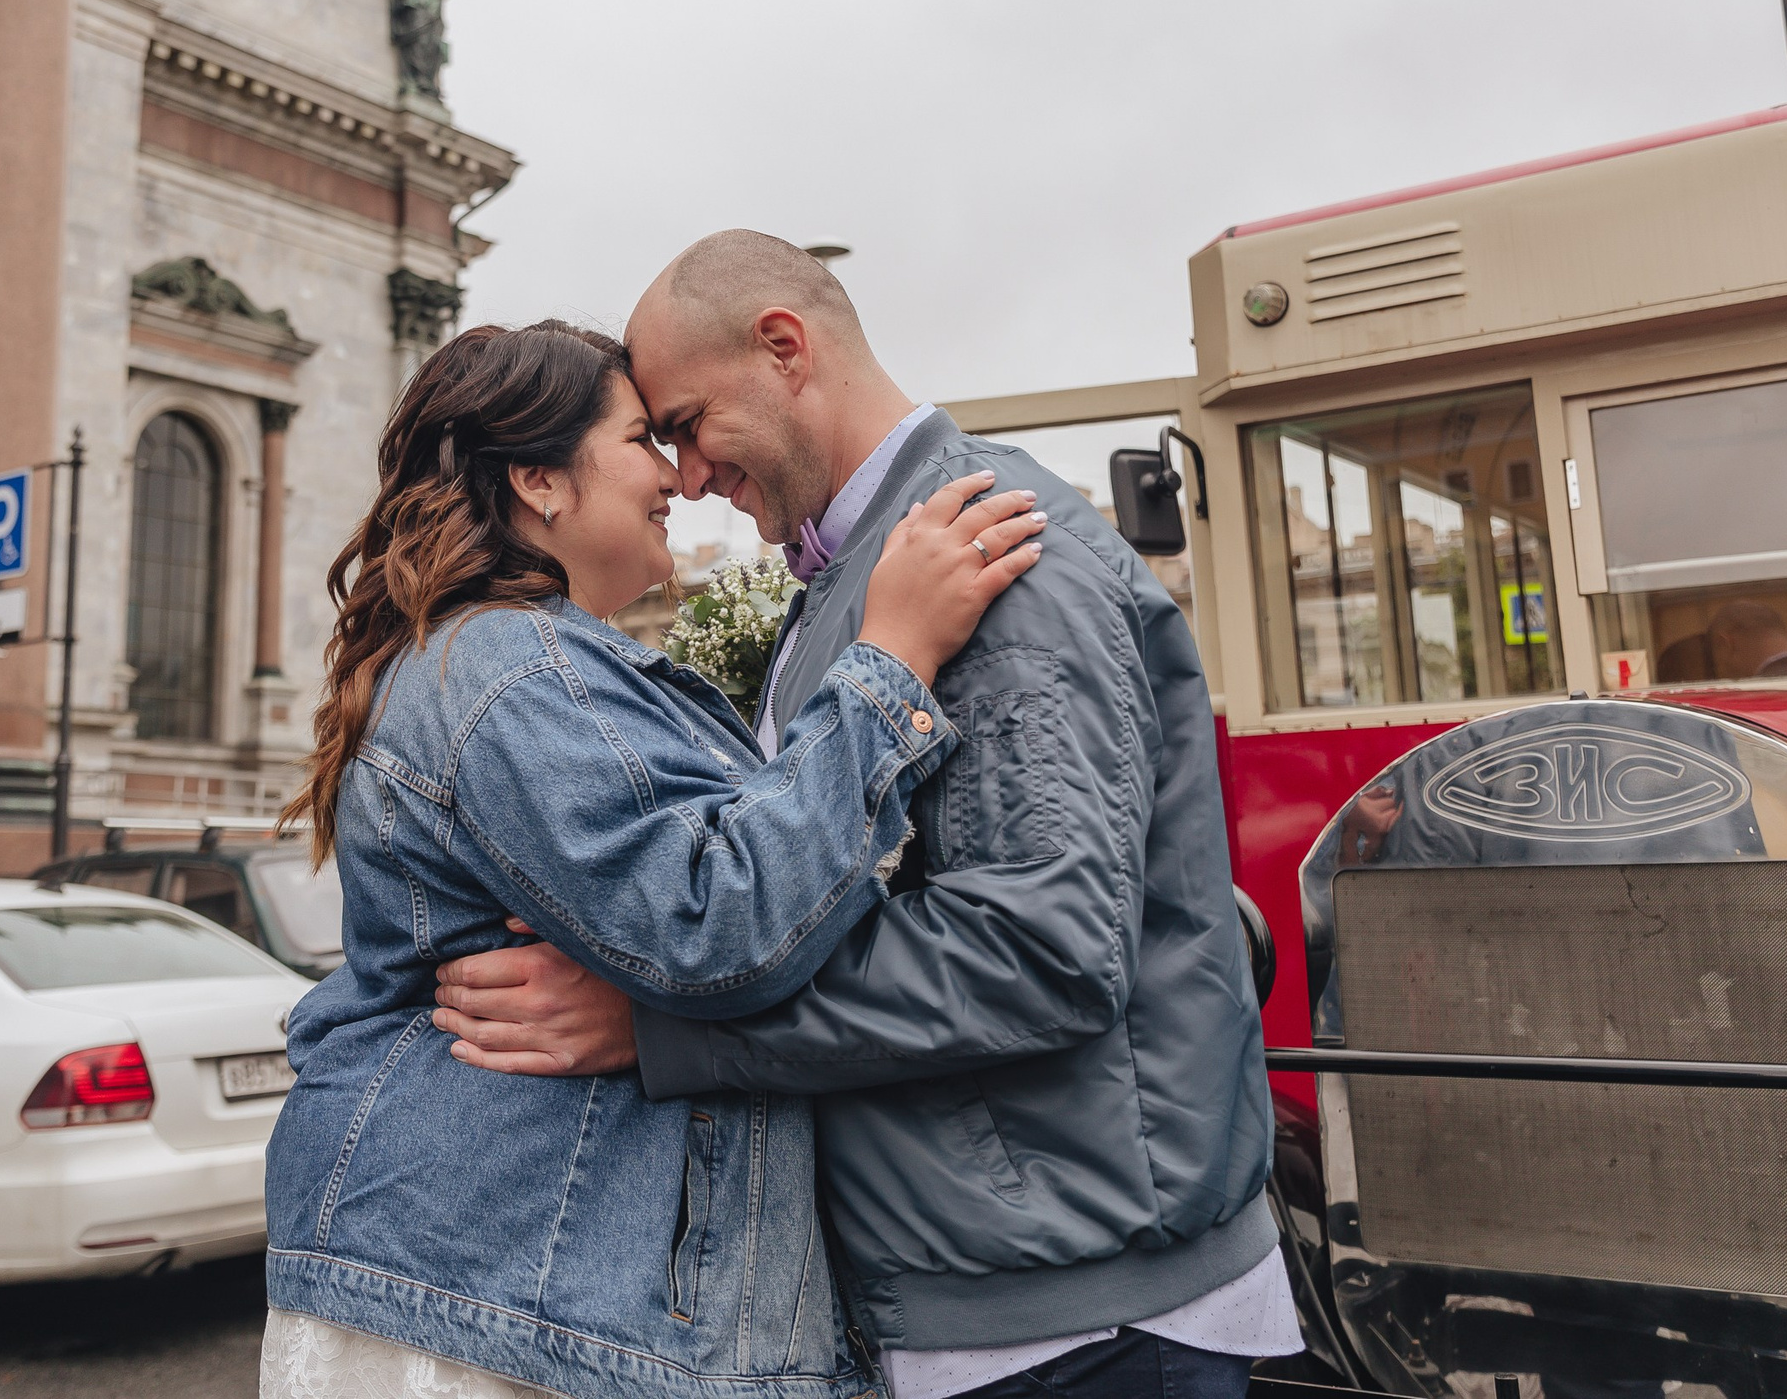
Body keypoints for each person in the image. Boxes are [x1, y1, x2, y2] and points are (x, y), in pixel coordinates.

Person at [431, 233, 1293, 1399]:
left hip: (1076, 1313)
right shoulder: (870, 577)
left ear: (783, 348)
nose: (683, 476)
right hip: (1012, 1275)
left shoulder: (991, 553)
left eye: (683, 423)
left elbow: (1036, 953)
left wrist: (665, 1036)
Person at [261, 320, 1047, 1399]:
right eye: (643, 439)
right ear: (540, 481)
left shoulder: (533, 662)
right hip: (505, 1301)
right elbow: (714, 923)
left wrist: (645, 1023)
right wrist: (892, 658)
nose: (677, 474)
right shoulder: (511, 666)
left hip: (516, 1283)